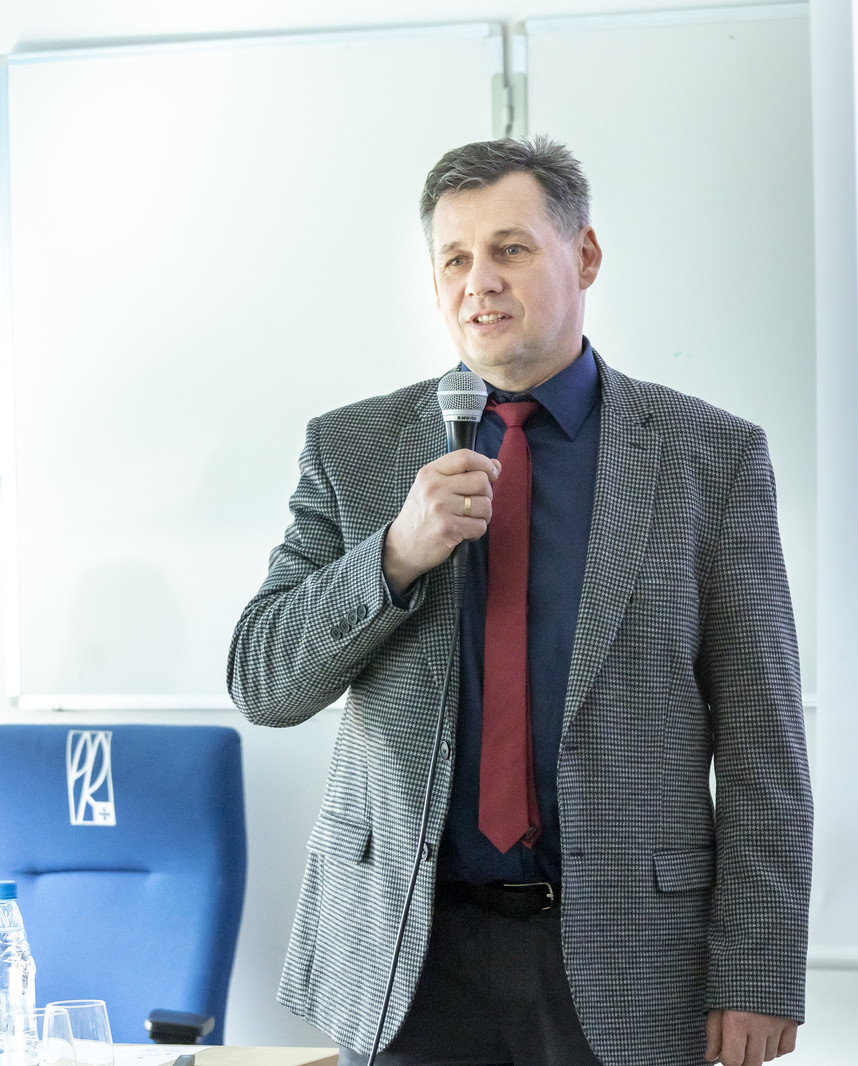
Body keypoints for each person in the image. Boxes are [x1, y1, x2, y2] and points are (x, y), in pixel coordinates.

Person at [228, 136, 812, 1066]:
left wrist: (757, 971)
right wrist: (393, 555)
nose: (480, 283)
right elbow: (263, 684)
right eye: (454, 260)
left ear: (585, 255)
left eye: (510, 248)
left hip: (631, 958)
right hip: (407, 962)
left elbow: (762, 740)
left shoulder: (710, 457)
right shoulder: (354, 448)